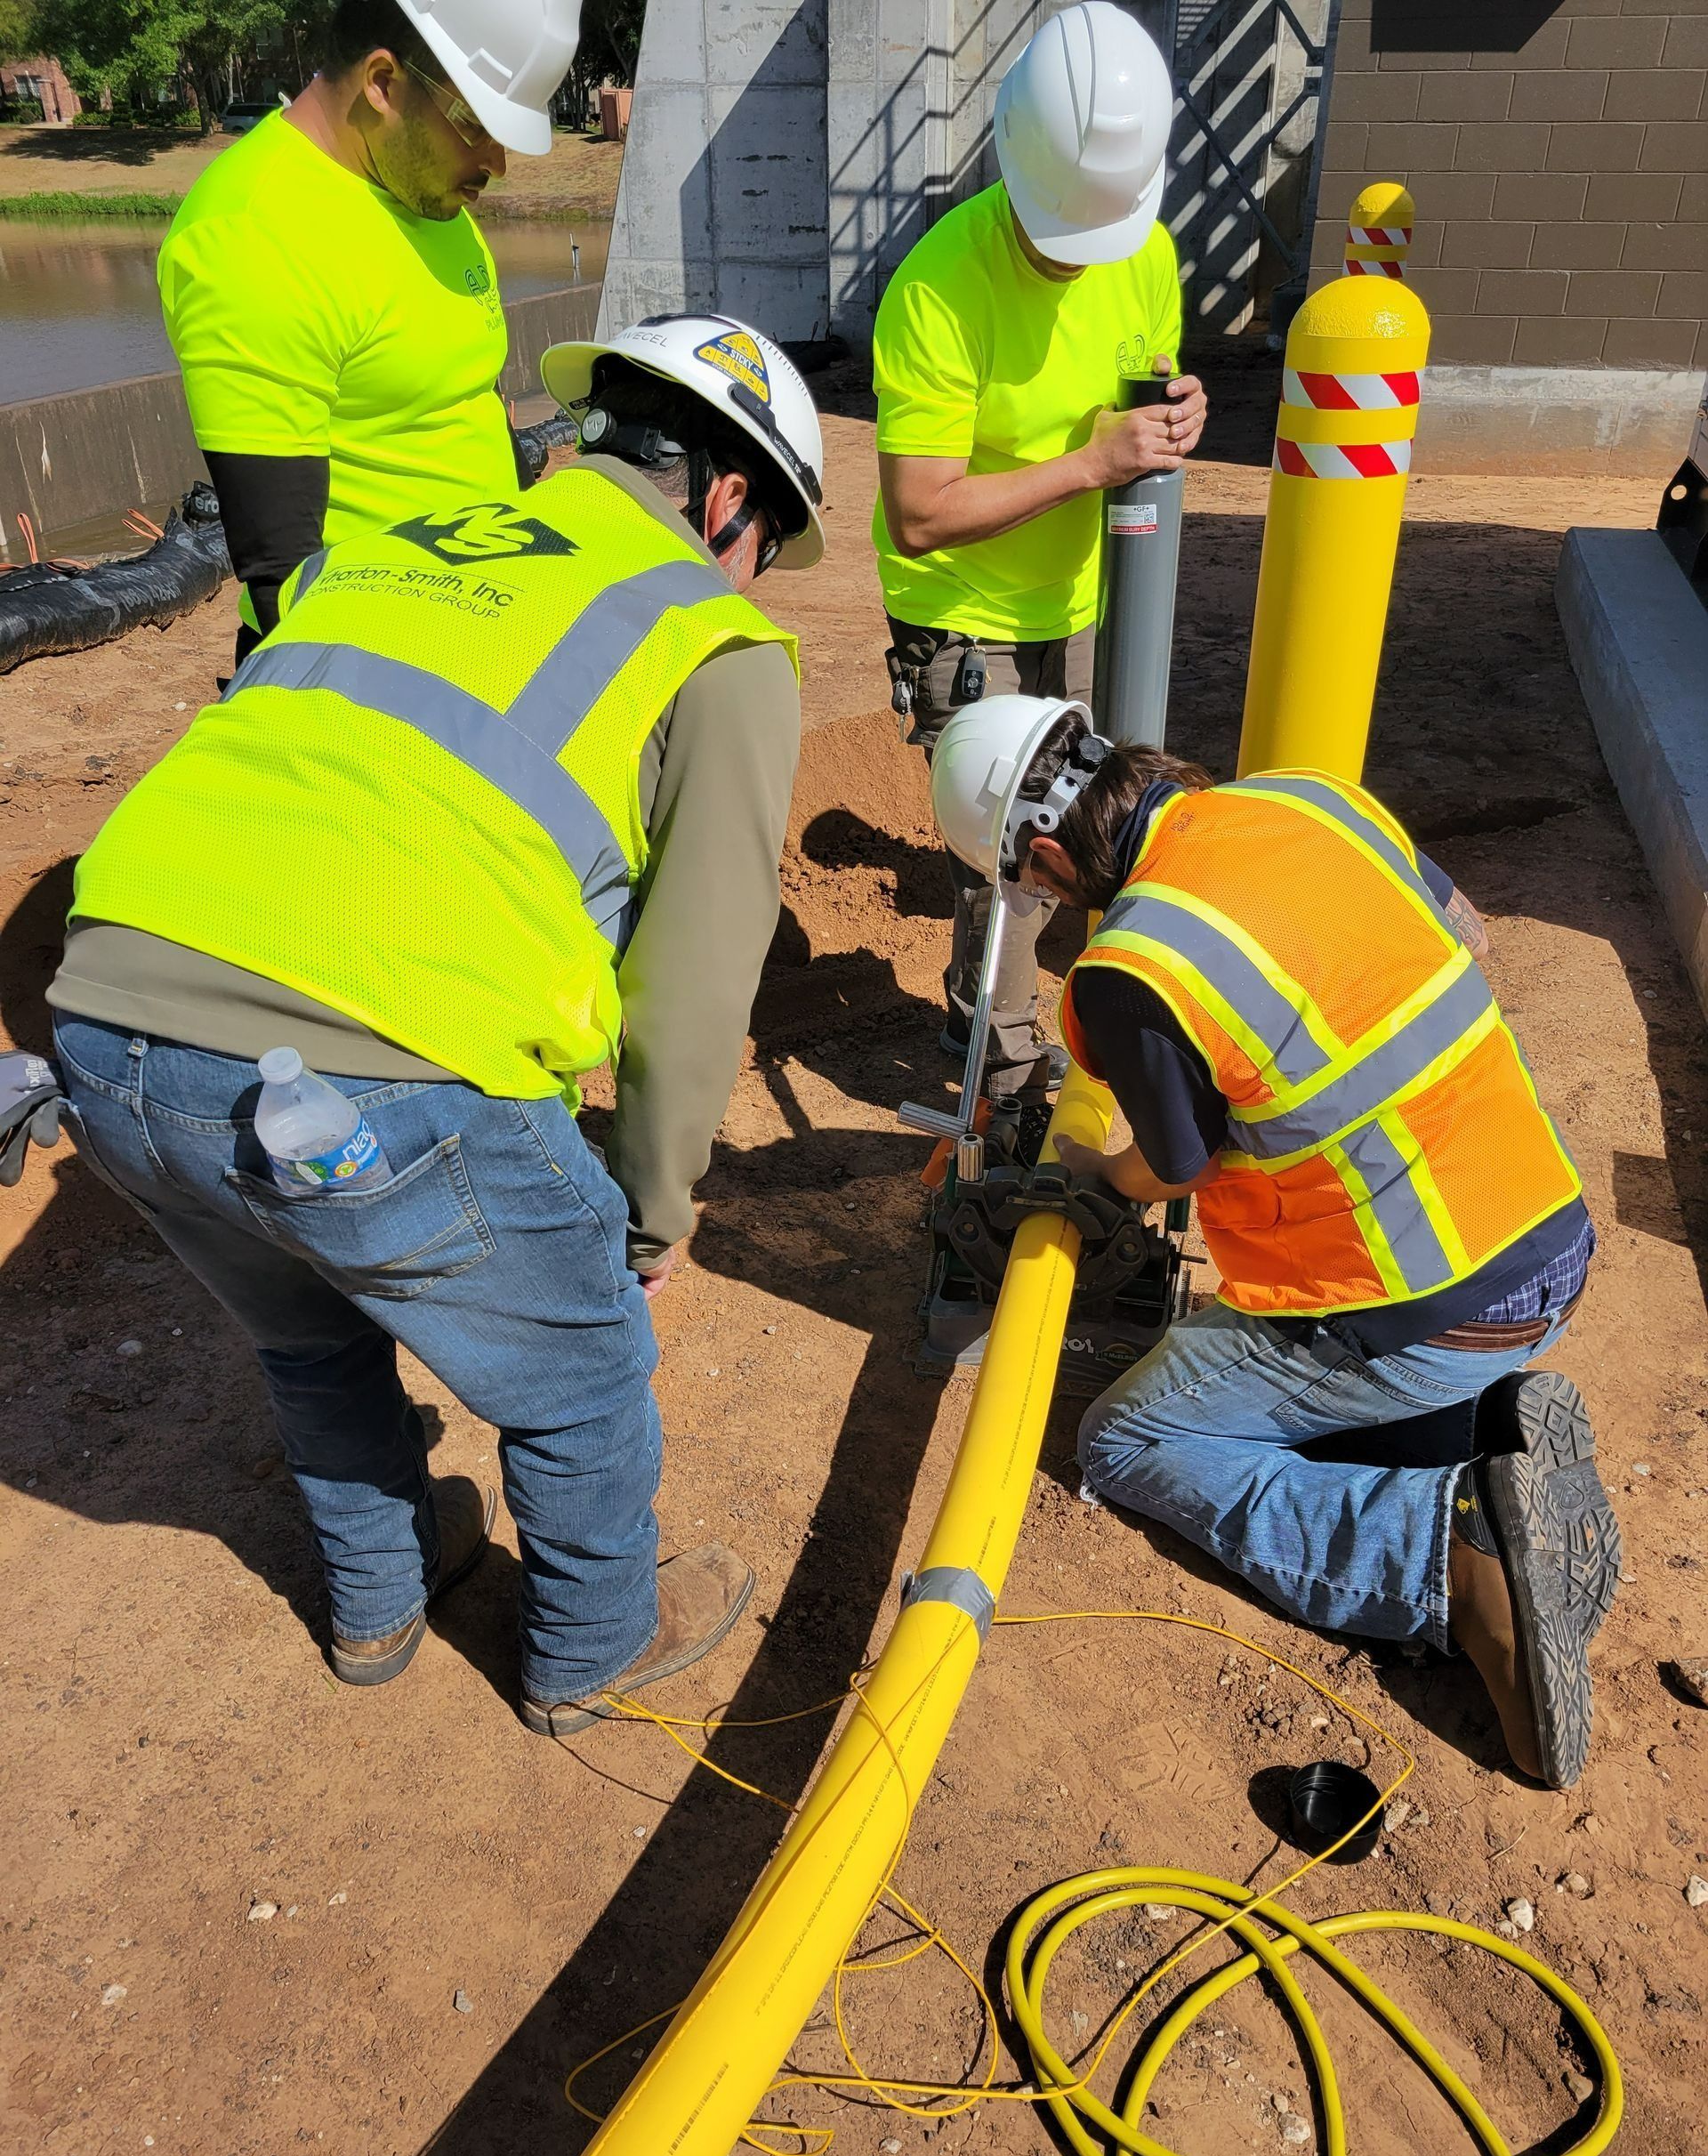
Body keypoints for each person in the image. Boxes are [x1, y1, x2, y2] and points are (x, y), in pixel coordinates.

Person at [45, 318, 826, 1740]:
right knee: (583, 1363)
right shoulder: (716, 640)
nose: (753, 571)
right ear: (728, 499)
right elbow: (700, 976)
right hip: (374, 1066)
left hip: (103, 1030)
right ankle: (593, 1648)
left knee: (310, 1334)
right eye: (765, 540)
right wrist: (643, 1225)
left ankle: (380, 1603)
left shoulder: (395, 546)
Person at [928, 698, 1620, 1789]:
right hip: (1547, 1235)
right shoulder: (1305, 800)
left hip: (1417, 1301)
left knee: (1128, 1442)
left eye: (1041, 887)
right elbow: (1468, 931)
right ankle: (1484, 1429)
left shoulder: (1135, 962)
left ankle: (1449, 1553)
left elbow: (1176, 1163)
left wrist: (1090, 1180)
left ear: (1051, 854)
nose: (1053, 905)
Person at [870, 1, 1207, 1104]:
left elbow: (1139, 391)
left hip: (1076, 594)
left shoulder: (1145, 251)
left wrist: (1173, 414)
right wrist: (1091, 465)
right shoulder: (936, 288)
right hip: (965, 614)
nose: (1074, 261)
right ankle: (998, 1074)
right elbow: (920, 512)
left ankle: (1050, 1023)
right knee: (1008, 855)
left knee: (1091, 822)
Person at [158, 0, 580, 666]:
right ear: (382, 83)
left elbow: (469, 408)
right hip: (381, 673)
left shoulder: (425, 195)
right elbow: (285, 579)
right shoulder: (255, 235)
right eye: (475, 124)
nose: (496, 162)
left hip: (488, 642)